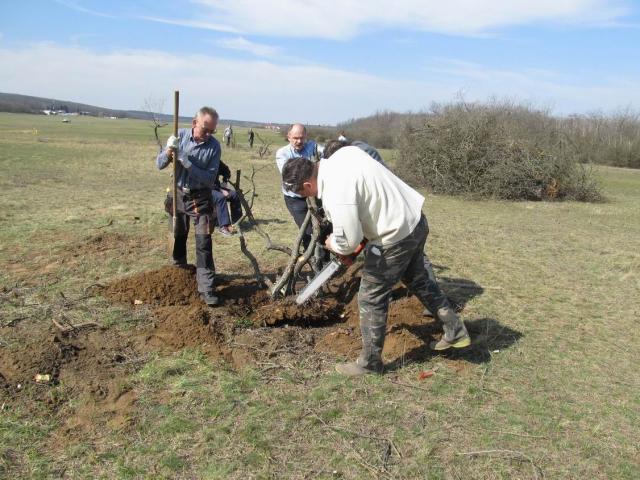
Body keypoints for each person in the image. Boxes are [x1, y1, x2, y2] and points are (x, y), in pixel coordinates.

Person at [281, 148, 470, 376]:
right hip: (414, 221)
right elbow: (367, 202)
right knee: (418, 280)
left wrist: (334, 244)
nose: (307, 197)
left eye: (303, 193)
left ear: (307, 185)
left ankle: (370, 364)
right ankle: (455, 330)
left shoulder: (335, 192)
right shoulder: (345, 154)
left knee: (371, 297)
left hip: (394, 236)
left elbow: (348, 241)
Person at [156, 106, 222, 307]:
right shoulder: (180, 136)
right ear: (194, 123)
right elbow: (159, 164)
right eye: (205, 129)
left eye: (212, 131)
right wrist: (169, 151)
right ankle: (180, 275)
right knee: (177, 235)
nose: (208, 134)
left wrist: (187, 162)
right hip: (177, 195)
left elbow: (209, 179)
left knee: (203, 243)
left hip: (200, 198)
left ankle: (206, 288)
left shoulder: (214, 147)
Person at [275, 123, 318, 250]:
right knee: (307, 231)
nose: (299, 141)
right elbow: (290, 176)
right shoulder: (282, 153)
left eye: (302, 138)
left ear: (306, 137)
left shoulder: (313, 147)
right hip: (295, 198)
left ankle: (324, 257)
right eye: (295, 138)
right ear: (288, 137)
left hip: (315, 194)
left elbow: (328, 155)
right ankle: (310, 255)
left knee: (322, 227)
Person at [211, 160, 242, 237]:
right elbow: (204, 181)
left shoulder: (216, 160)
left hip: (217, 188)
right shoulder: (203, 161)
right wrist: (221, 190)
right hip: (204, 189)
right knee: (220, 197)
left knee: (235, 195)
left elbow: (226, 171)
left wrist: (225, 181)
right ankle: (224, 226)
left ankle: (237, 223)